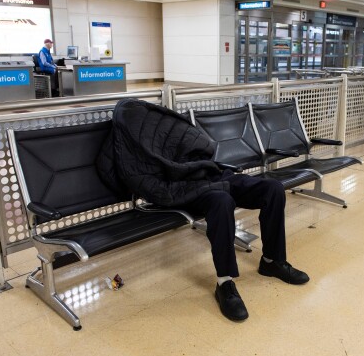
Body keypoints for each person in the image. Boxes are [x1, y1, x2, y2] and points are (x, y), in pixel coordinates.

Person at [98, 99, 309, 322]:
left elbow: (194, 146)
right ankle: (224, 283)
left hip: (209, 175)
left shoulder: (156, 125)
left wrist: (200, 169)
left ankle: (271, 262)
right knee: (222, 201)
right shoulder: (127, 142)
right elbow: (144, 183)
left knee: (273, 189)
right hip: (184, 189)